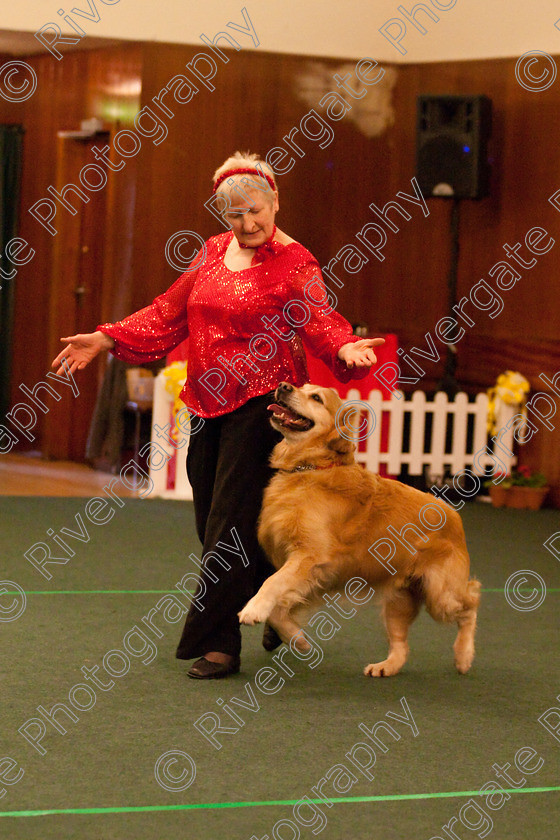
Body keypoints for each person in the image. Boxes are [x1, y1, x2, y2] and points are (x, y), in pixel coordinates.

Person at [52, 151, 384, 680]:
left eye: (256, 211)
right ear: (221, 215)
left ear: (275, 201)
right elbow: (167, 312)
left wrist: (343, 347)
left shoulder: (296, 261)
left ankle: (216, 644)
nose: (248, 224)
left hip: (262, 406)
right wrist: (105, 336)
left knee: (228, 523)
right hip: (208, 401)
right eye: (235, 216)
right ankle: (280, 601)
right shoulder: (210, 252)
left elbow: (320, 318)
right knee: (214, 521)